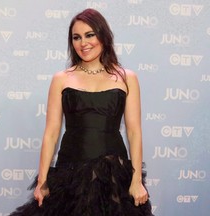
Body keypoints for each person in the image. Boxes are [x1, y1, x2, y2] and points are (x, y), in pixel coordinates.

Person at [9, 8, 154, 216]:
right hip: (70, 172)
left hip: (112, 175)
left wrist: (137, 180)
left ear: (103, 35)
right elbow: (51, 133)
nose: (83, 43)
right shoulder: (61, 78)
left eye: (89, 35)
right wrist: (42, 180)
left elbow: (134, 132)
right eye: (76, 37)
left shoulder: (126, 77)